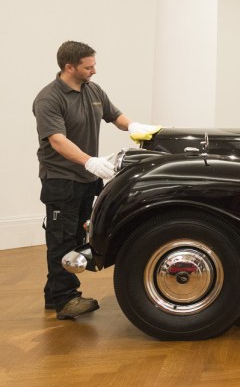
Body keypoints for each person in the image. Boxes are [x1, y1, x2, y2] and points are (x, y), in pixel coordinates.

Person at [32, 41, 160, 320]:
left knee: (77, 236)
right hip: (61, 180)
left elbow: (115, 115)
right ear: (70, 67)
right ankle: (66, 300)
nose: (94, 71)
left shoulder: (93, 90)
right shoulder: (49, 99)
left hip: (87, 178)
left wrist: (135, 127)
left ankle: (54, 294)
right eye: (88, 66)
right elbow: (57, 140)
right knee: (61, 239)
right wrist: (88, 160)